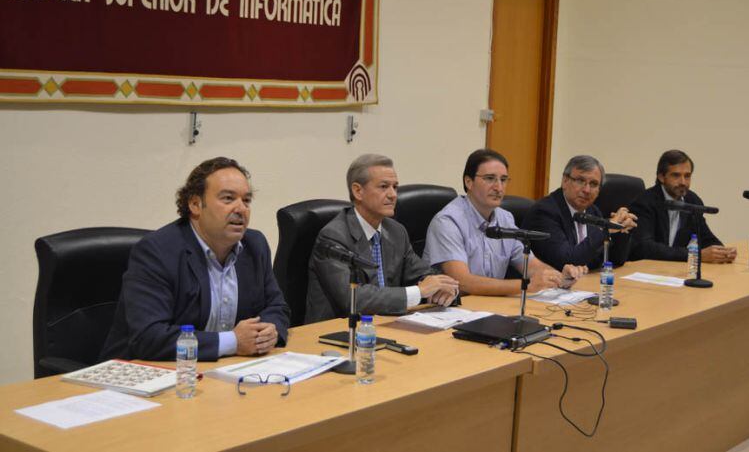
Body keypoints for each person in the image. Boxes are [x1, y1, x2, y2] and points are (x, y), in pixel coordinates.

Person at [101, 157, 290, 361]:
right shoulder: (157, 252)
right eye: (228, 198)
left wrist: (269, 332)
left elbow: (277, 307)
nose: (241, 209)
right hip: (143, 375)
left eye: (246, 200)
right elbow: (150, 337)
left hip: (218, 372)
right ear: (195, 204)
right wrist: (233, 342)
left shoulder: (255, 245)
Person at [305, 154, 459, 323]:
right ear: (358, 191)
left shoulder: (396, 231)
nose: (393, 195)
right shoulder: (333, 236)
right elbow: (353, 298)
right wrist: (419, 292)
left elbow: (423, 274)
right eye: (384, 187)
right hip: (337, 331)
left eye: (395, 187)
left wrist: (445, 288)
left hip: (386, 325)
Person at [422, 149, 587, 296]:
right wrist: (525, 286)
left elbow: (529, 265)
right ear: (468, 182)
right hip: (454, 309)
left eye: (503, 179)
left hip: (492, 307)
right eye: (490, 179)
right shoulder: (448, 221)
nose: (498, 187)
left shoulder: (505, 218)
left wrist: (559, 277)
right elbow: (462, 281)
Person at [522, 155, 637, 271]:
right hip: (547, 286)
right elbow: (568, 261)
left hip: (583, 284)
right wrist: (605, 230)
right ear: (565, 181)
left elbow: (614, 260)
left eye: (593, 184)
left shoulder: (593, 211)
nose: (587, 190)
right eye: (581, 181)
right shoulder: (544, 212)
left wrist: (621, 229)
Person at [629, 149, 736, 263]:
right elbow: (644, 247)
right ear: (661, 177)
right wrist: (694, 255)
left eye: (687, 176)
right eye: (676, 175)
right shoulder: (645, 202)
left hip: (675, 270)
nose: (683, 182)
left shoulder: (693, 200)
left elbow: (705, 238)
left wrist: (722, 252)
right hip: (645, 269)